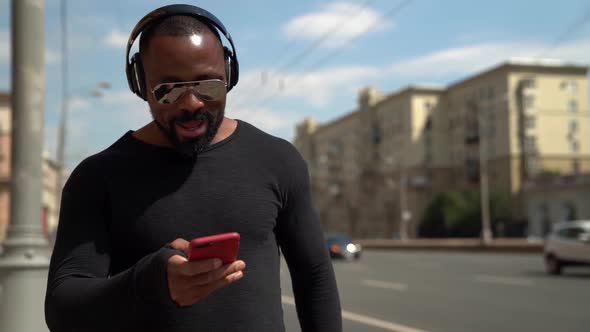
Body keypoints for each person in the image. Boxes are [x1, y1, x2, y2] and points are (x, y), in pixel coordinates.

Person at [44, 4, 342, 332]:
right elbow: (62, 309)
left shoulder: (277, 159)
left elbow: (315, 278)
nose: (192, 103)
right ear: (140, 83)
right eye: (168, 90)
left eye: (208, 85)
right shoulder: (97, 177)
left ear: (229, 74)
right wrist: (150, 282)